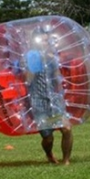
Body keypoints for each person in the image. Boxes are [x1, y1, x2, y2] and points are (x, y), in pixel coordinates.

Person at [25, 28, 73, 165]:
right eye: (44, 40)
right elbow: (28, 80)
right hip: (38, 100)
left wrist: (53, 61)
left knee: (67, 129)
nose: (47, 43)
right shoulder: (32, 56)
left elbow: (57, 79)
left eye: (48, 40)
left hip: (54, 98)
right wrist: (36, 63)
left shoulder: (52, 56)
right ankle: (49, 154)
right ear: (37, 42)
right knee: (48, 137)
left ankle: (66, 160)